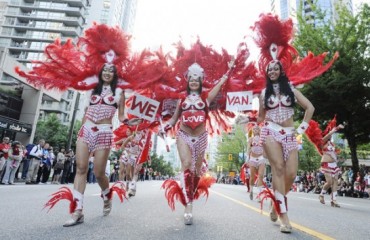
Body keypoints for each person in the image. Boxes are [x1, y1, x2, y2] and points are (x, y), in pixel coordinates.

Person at [162, 60, 234, 225]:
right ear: (188, 80)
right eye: (191, 78)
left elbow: (220, 84)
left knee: (196, 173)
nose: (194, 81)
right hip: (183, 135)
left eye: (197, 78)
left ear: (200, 81)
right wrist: (165, 127)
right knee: (187, 164)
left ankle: (190, 194)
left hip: (201, 137)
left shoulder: (206, 98)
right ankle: (189, 205)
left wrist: (228, 70)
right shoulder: (182, 100)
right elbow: (174, 120)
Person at [257, 59, 314, 233]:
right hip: (270, 131)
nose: (273, 71)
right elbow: (261, 117)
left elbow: (310, 108)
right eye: (270, 69)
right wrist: (252, 120)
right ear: (267, 73)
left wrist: (301, 130)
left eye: (276, 68)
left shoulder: (292, 89)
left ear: (281, 71)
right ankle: (284, 216)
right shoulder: (263, 93)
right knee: (279, 169)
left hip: (289, 133)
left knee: (291, 173)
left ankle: (276, 203)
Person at [317, 122, 344, 207]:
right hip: (326, 164)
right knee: (329, 182)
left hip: (334, 165)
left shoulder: (331, 144)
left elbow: (333, 153)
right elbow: (329, 134)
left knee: (335, 181)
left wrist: (338, 158)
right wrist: (337, 128)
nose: (330, 136)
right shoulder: (322, 142)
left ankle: (334, 200)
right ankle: (321, 194)